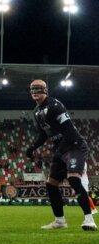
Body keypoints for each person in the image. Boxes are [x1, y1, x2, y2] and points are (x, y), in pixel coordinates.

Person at [25, 80, 96, 231]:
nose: (35, 92)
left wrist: (59, 151)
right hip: (61, 149)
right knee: (51, 185)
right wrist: (32, 147)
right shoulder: (36, 111)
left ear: (46, 90)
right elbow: (43, 135)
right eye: (32, 89)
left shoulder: (55, 106)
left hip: (74, 145)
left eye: (38, 89)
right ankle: (60, 221)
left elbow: (69, 131)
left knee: (73, 180)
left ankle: (89, 220)